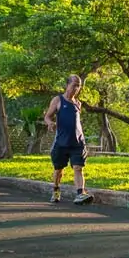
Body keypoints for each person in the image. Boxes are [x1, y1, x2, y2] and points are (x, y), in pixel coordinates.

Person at [44, 74, 93, 205]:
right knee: (58, 170)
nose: (76, 89)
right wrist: (50, 123)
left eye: (79, 86)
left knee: (78, 167)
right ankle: (55, 190)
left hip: (78, 142)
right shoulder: (58, 100)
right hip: (61, 142)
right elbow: (47, 116)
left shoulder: (78, 103)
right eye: (74, 85)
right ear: (67, 85)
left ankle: (80, 194)